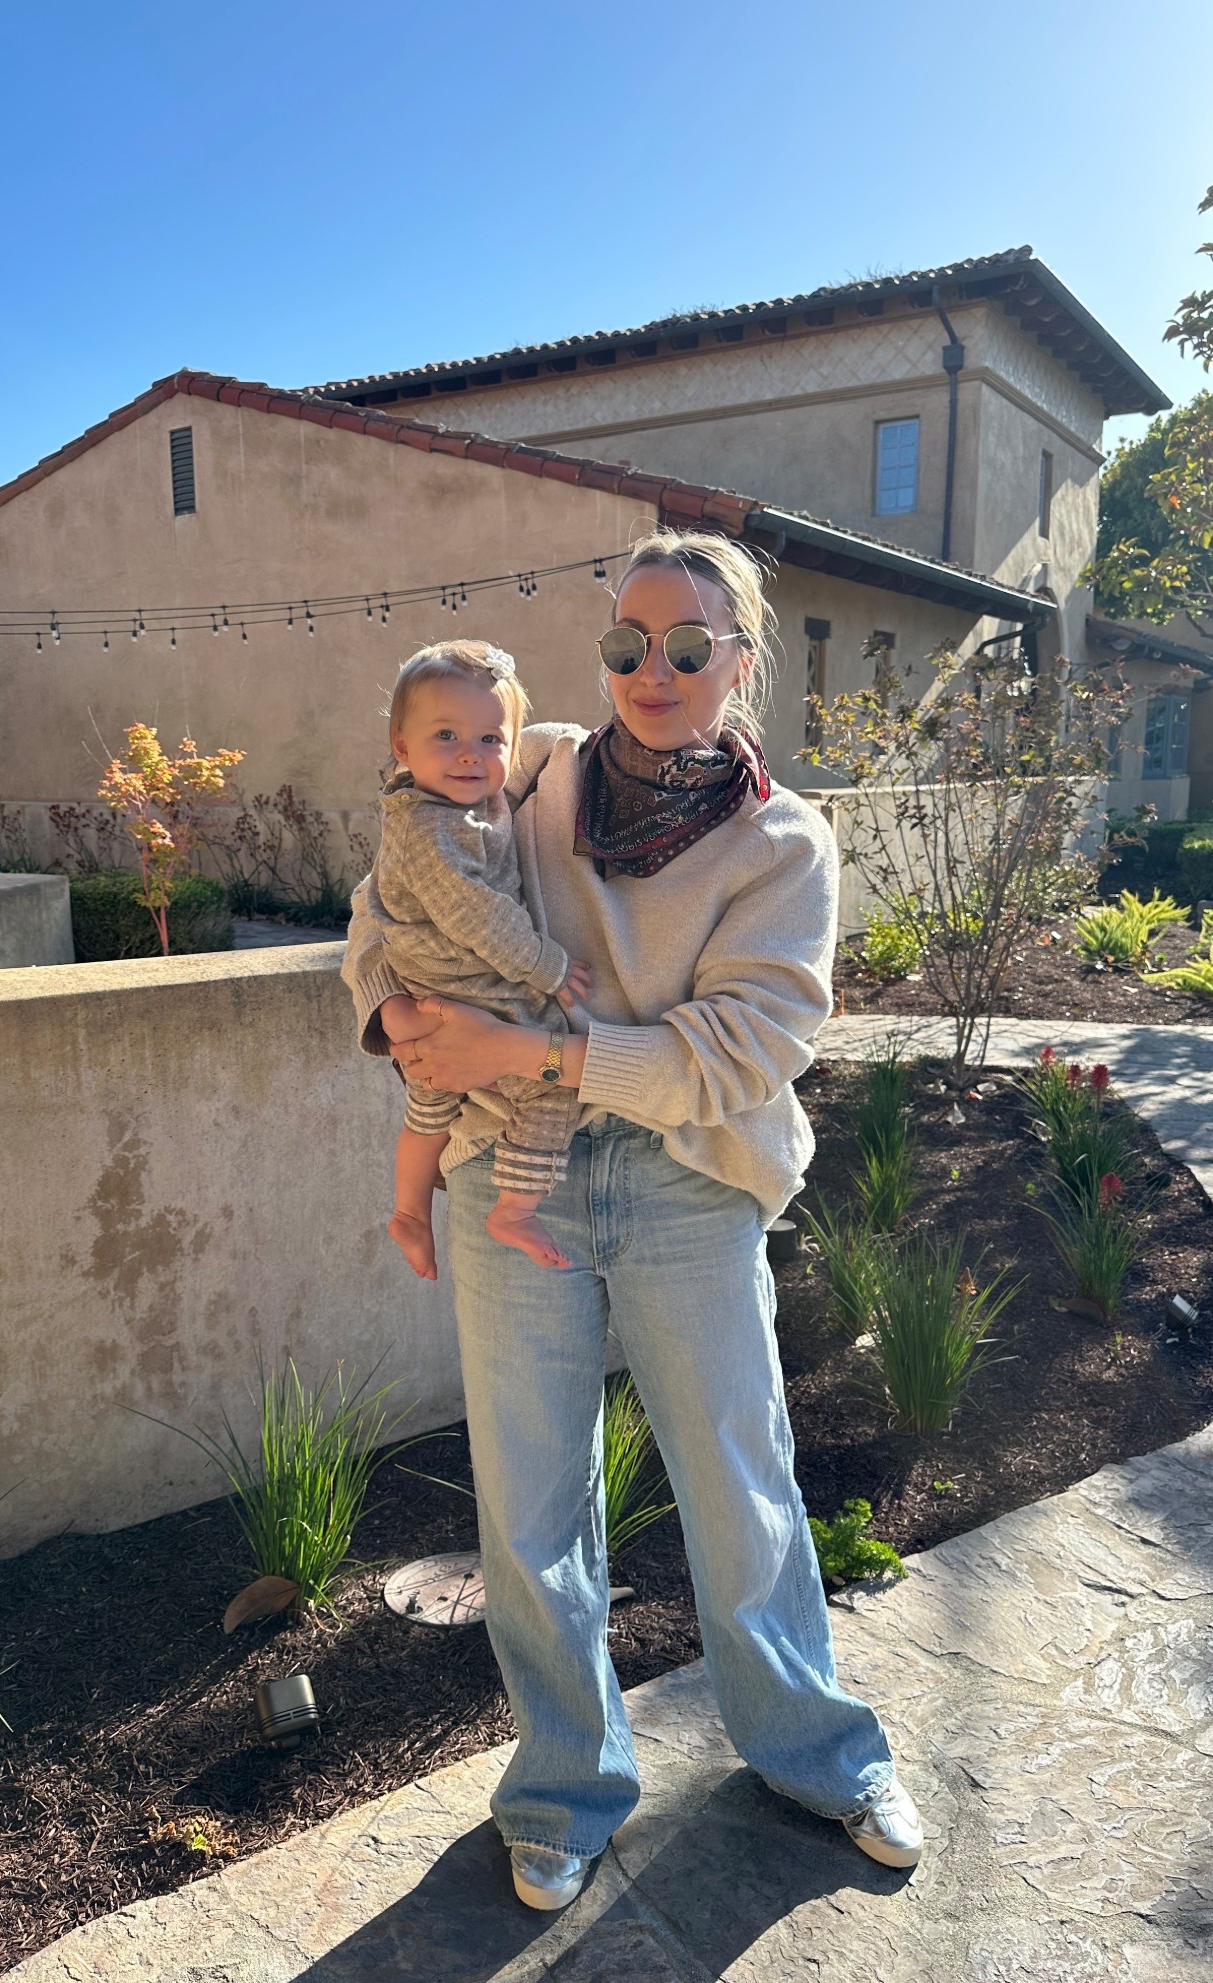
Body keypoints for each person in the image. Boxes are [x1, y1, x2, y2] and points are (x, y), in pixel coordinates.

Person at [342, 529, 922, 1912]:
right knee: (531, 1501)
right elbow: (384, 897)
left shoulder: (782, 839)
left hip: (685, 1174)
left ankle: (820, 1753)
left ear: (740, 659)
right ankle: (562, 1784)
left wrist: (529, 1054)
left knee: (740, 1483)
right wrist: (399, 1014)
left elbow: (744, 1047)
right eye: (623, 643)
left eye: (685, 645)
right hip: (505, 1176)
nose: (649, 671)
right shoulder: (523, 765)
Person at [373, 640, 593, 1279]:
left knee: (431, 1109)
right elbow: (479, 916)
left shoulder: (465, 802)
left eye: (491, 739)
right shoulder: (431, 827)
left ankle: (410, 1211)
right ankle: (514, 1209)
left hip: (440, 995)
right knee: (553, 1092)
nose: (471, 753)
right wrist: (547, 966)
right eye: (446, 735)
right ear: (401, 746)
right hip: (467, 990)